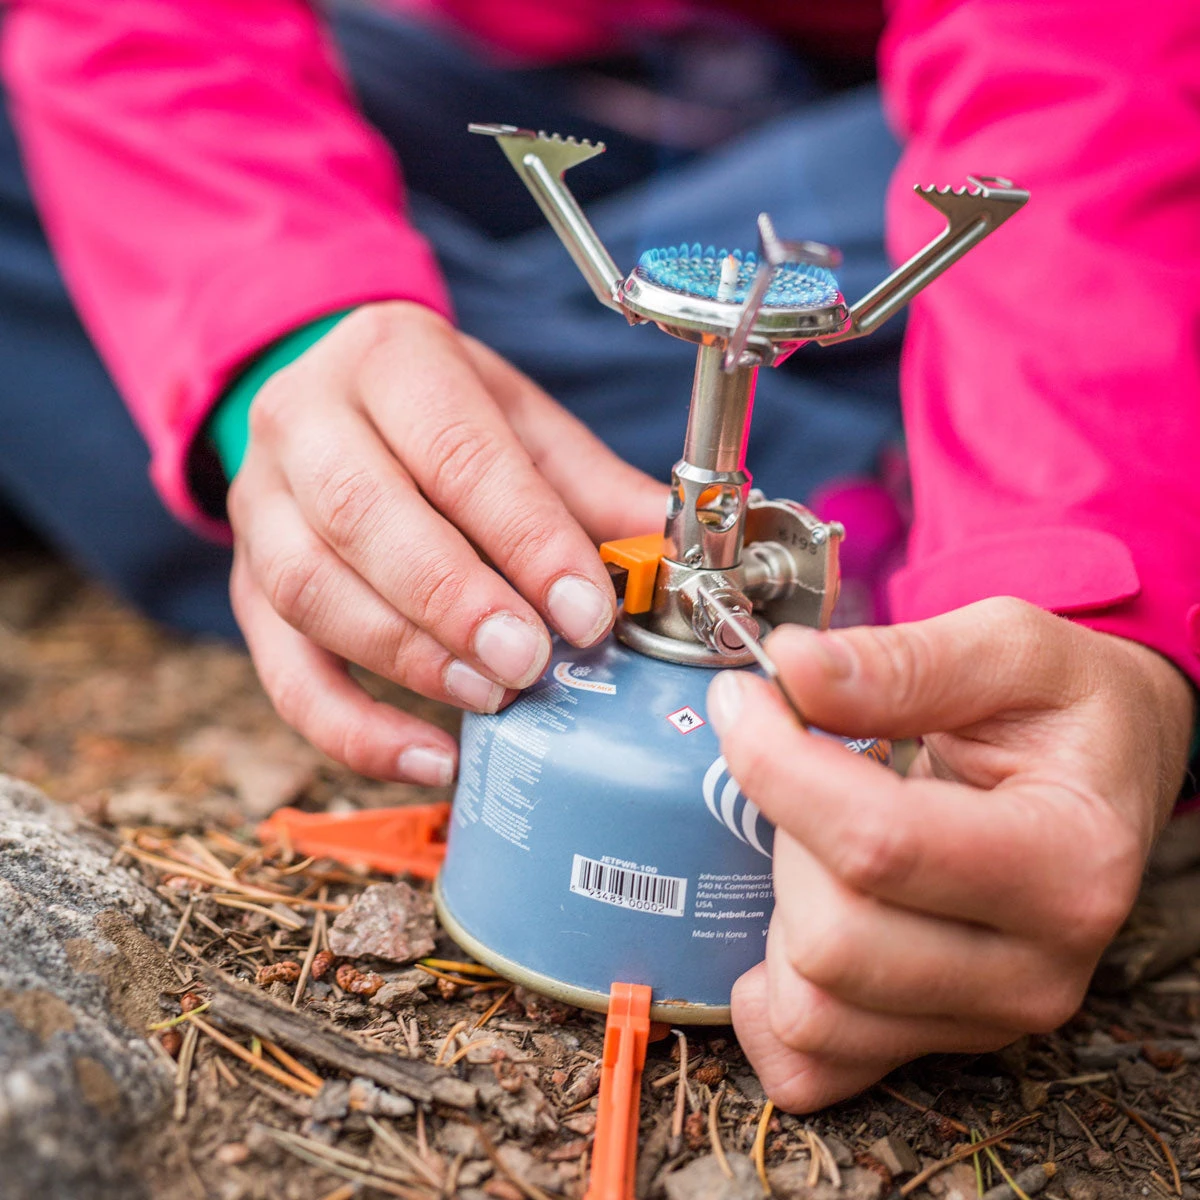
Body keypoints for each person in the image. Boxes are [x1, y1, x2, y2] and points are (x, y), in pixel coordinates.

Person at [0, 0, 1196, 1111]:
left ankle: (903, 484)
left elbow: (1089, 74)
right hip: (466, 87)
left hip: (886, 116)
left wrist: (1088, 600)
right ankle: (879, 453)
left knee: (1032, 214)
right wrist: (290, 333)